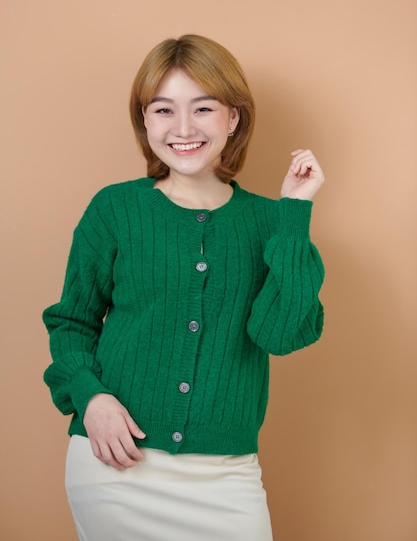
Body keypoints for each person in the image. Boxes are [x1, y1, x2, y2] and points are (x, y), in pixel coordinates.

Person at [43, 34, 325, 541]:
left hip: (225, 476)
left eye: (203, 108)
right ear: (145, 120)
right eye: (163, 109)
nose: (183, 128)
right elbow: (72, 321)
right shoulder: (115, 210)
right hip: (115, 463)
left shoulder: (269, 222)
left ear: (233, 118)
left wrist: (294, 214)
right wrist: (90, 399)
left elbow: (280, 334)